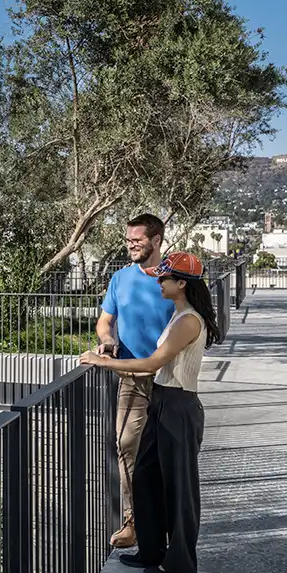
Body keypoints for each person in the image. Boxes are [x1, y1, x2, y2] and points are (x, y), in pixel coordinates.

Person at [81, 251, 222, 573]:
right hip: (162, 402)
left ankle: (181, 564)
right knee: (145, 476)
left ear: (181, 284)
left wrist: (104, 363)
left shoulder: (189, 321)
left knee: (179, 487)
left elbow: (151, 363)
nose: (158, 282)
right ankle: (150, 549)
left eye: (164, 278)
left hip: (178, 406)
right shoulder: (179, 316)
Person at [95, 212, 174, 551]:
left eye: (137, 241)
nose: (131, 246)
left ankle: (168, 523)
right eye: (128, 241)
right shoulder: (120, 279)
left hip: (170, 380)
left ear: (157, 240)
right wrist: (107, 341)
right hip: (130, 378)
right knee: (127, 447)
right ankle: (134, 521)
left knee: (168, 455)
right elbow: (104, 322)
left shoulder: (175, 278)